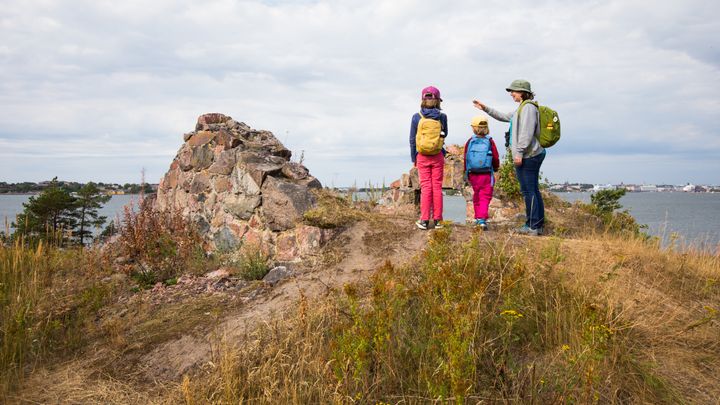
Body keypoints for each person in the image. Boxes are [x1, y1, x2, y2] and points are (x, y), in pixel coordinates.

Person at [473, 79, 546, 235]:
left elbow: (526, 133)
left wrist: (519, 152)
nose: (511, 94)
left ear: (522, 92)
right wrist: (485, 108)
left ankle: (533, 225)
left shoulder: (528, 109)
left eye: (513, 91)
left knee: (529, 191)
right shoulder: (522, 108)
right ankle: (535, 224)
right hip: (530, 154)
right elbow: (503, 116)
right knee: (532, 190)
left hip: (529, 155)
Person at [410, 86, 448, 230]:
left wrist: (414, 157)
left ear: (422, 99)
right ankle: (438, 220)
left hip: (422, 156)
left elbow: (412, 139)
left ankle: (424, 220)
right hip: (437, 155)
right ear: (438, 100)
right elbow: (445, 135)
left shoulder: (416, 117)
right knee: (437, 187)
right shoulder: (442, 117)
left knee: (426, 188)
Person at [463, 115, 500, 231]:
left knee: (477, 195)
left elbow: (466, 157)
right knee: (485, 196)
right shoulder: (490, 141)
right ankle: (482, 220)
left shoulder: (470, 141)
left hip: (473, 173)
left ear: (473, 128)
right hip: (486, 173)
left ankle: (478, 217)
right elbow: (495, 156)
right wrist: (496, 167)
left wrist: (466, 171)